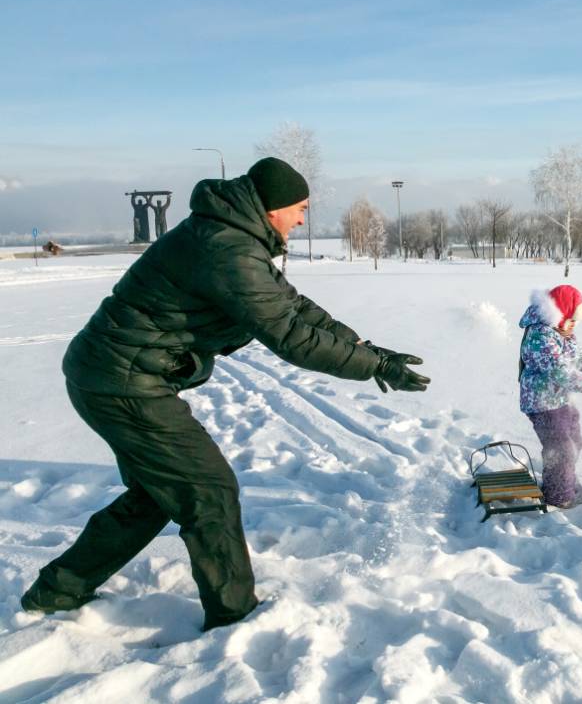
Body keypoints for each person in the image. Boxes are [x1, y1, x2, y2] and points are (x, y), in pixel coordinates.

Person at [21, 157, 430, 631]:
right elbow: (290, 336)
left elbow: (294, 307)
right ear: (272, 207)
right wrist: (374, 367)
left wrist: (364, 347)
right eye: (299, 208)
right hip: (125, 382)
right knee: (208, 490)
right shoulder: (226, 249)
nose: (302, 218)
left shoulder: (232, 237)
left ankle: (58, 589)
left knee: (158, 493)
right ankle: (232, 617)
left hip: (115, 375)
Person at [518, 285, 582, 508]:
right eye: (572, 320)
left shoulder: (563, 333)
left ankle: (562, 479)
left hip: (560, 400)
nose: (574, 325)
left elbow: (575, 359)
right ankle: (559, 497)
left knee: (574, 441)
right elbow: (558, 369)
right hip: (542, 403)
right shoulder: (540, 336)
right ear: (558, 314)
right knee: (561, 449)